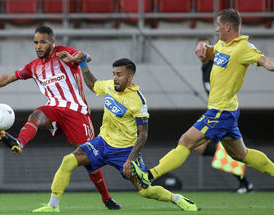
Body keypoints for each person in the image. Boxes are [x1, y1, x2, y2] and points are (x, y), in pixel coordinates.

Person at [131, 8, 274, 201]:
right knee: (241, 155)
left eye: (218, 25)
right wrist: (204, 48)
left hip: (221, 111)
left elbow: (262, 59)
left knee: (186, 141)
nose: (216, 28)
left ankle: (149, 176)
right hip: (227, 111)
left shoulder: (243, 47)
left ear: (227, 26)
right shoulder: (221, 45)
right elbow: (212, 51)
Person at [0, 25, 121, 210]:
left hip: (77, 112)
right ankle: (19, 143)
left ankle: (106, 198)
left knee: (88, 158)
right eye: (35, 42)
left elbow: (85, 56)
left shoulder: (63, 53)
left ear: (52, 42)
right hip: (53, 109)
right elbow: (7, 77)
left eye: (43, 42)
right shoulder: (33, 67)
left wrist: (77, 58)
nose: (38, 46)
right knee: (36, 114)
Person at [32, 57, 198, 212]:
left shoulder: (138, 100)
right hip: (102, 143)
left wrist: (130, 159)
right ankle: (53, 205)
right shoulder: (109, 86)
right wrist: (83, 63)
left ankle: (176, 198)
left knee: (145, 191)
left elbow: (143, 134)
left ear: (130, 77)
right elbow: (93, 85)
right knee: (68, 161)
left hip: (125, 151)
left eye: (119, 74)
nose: (115, 78)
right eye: (113, 74)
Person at [194, 38, 253, 194]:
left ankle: (245, 181)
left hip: (223, 112)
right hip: (216, 111)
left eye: (205, 45)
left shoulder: (215, 64)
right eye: (199, 46)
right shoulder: (204, 67)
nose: (202, 49)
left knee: (198, 146)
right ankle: (245, 182)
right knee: (200, 148)